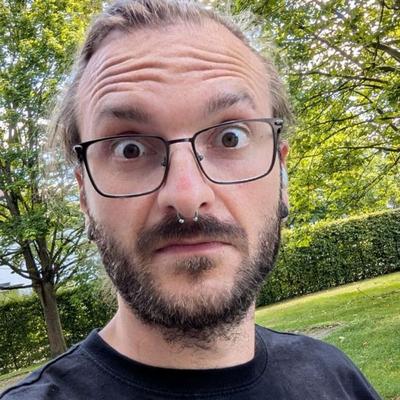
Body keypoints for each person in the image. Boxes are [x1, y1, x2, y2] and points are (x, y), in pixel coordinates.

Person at [1, 1, 381, 399]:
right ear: (84, 194)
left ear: (281, 172)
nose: (187, 196)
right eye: (130, 149)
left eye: (230, 137)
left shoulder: (336, 378)